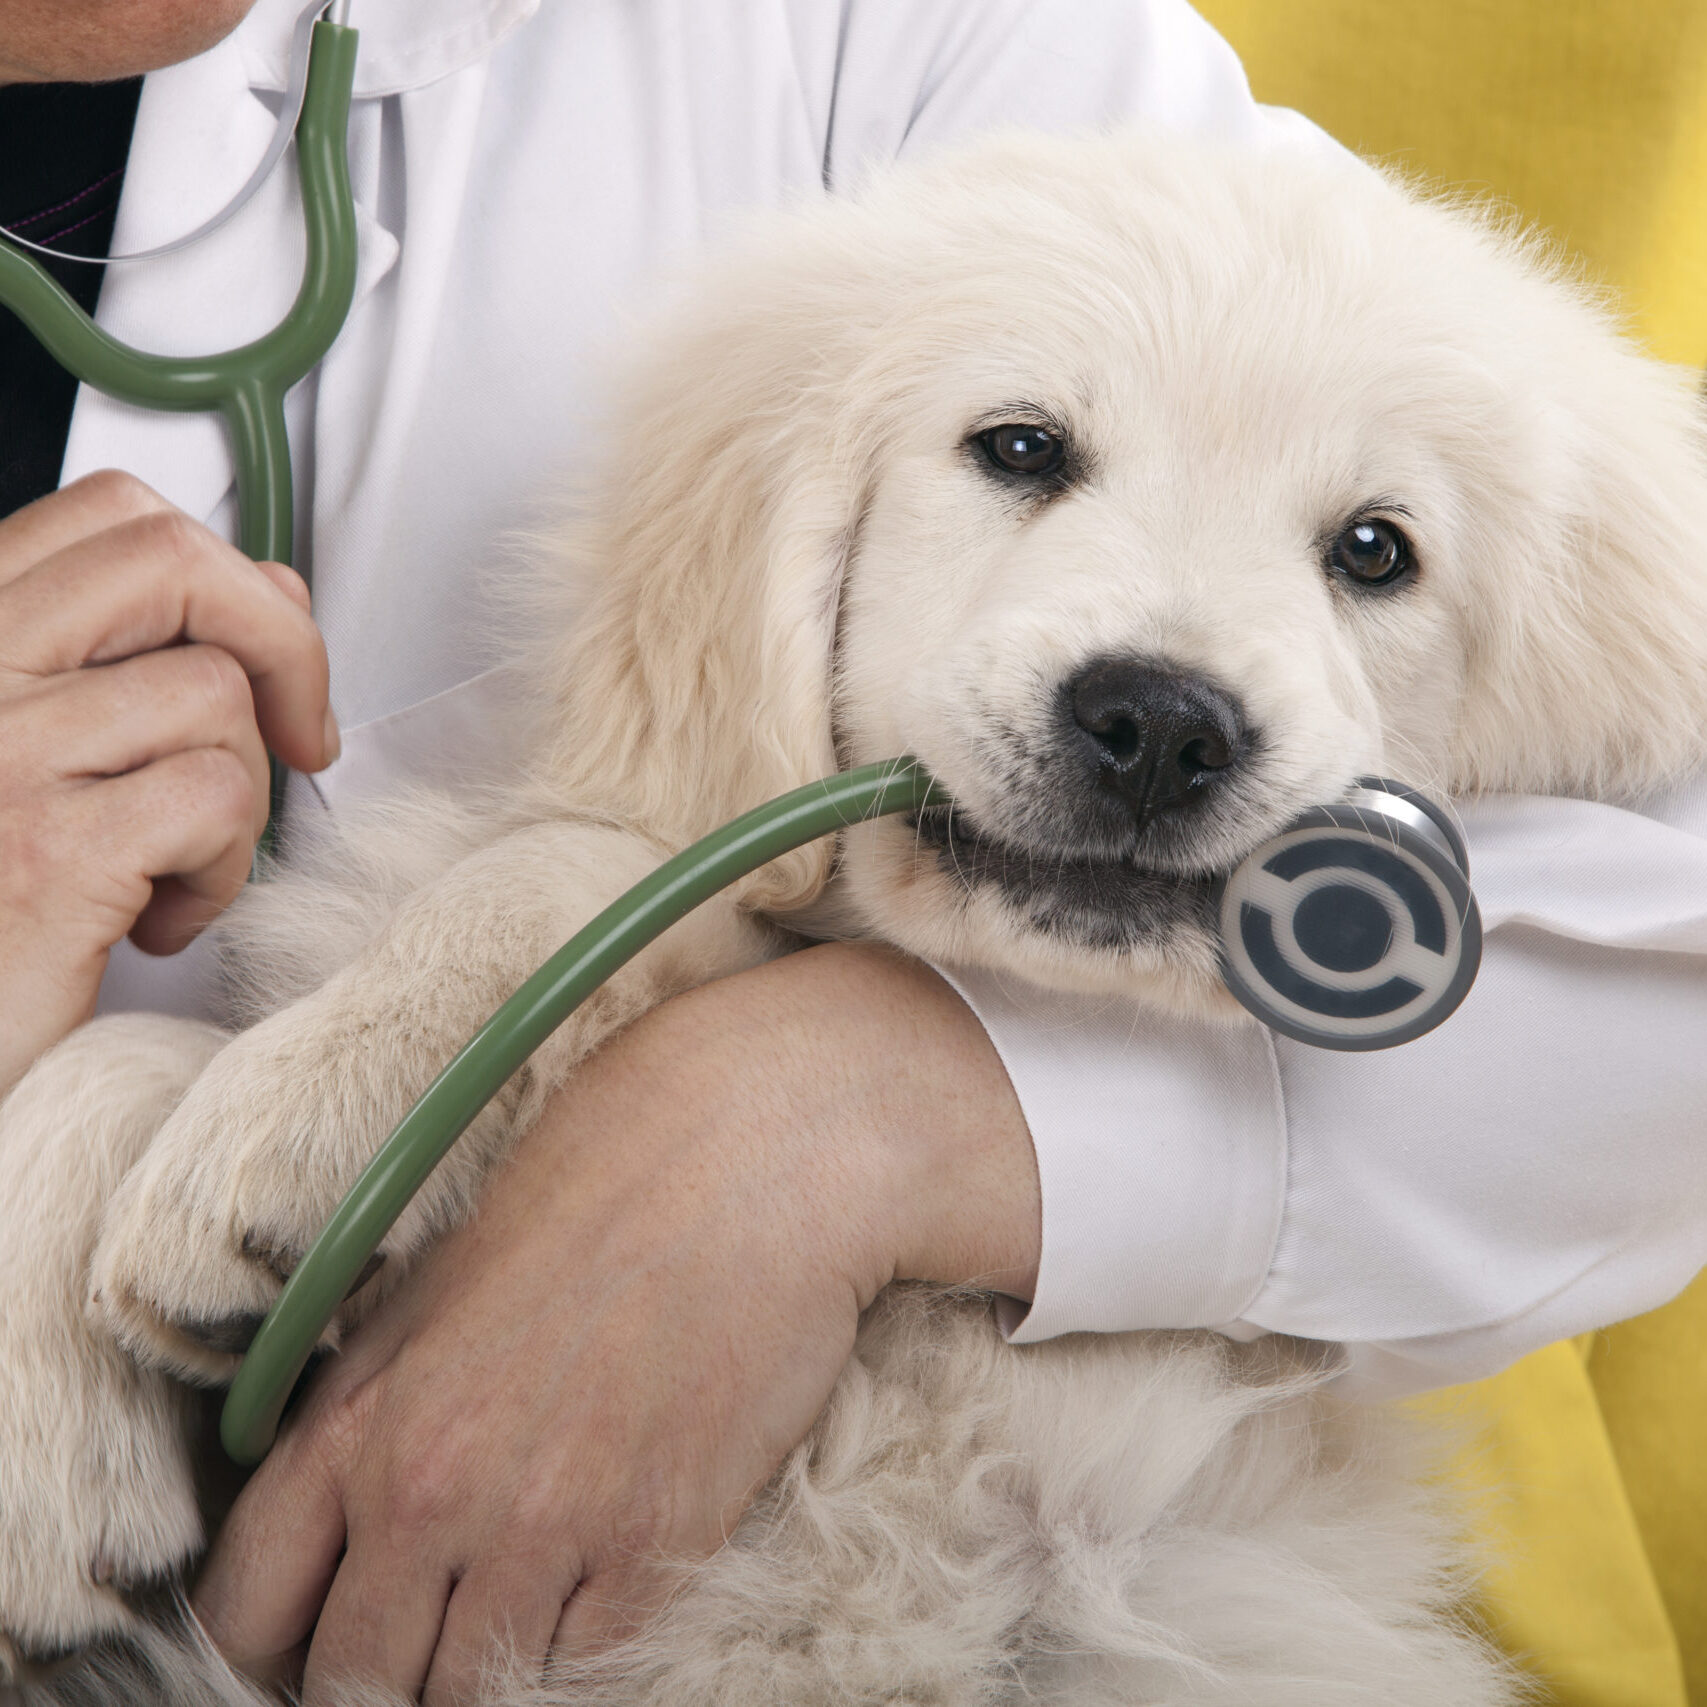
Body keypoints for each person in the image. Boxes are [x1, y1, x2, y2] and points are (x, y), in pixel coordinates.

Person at [1, 1, 1704, 1701]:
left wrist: (845, 1125)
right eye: (1025, 455)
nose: (1175, 713)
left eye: (1375, 549)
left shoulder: (885, 49)